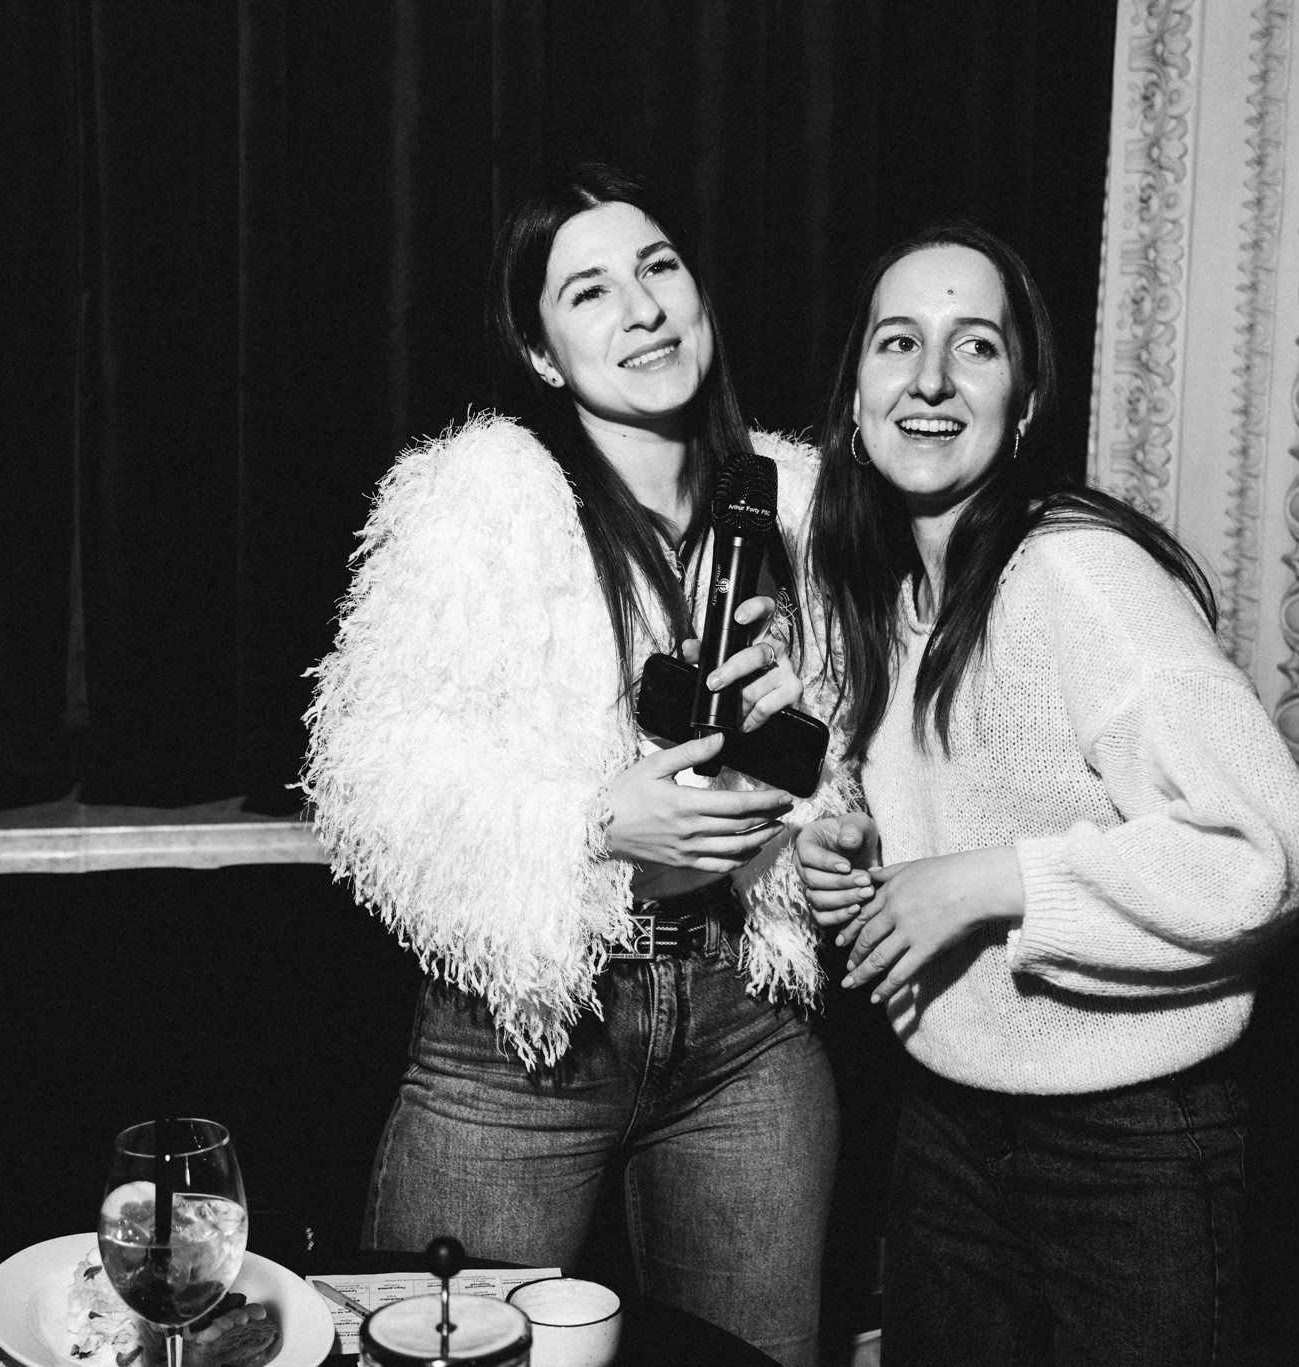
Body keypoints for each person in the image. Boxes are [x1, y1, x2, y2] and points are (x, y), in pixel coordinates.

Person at [301, 164, 839, 1367]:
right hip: (524, 1042)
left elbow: (857, 763)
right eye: (588, 291)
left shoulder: (798, 504)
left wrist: (801, 737)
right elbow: (371, 775)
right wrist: (592, 825)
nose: (641, 308)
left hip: (747, 1030)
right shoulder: (481, 500)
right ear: (542, 353)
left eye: (658, 268)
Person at [796, 222, 1299, 1366]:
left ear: (1024, 404)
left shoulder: (1076, 572)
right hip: (946, 1129)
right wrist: (856, 864)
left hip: (1129, 1145)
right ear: (853, 400)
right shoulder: (888, 599)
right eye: (897, 342)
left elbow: (1270, 854)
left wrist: (988, 883)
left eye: (974, 346)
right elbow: (965, 819)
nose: (929, 378)